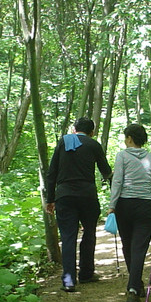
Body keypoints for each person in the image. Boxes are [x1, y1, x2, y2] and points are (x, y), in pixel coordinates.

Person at [44, 117, 112, 292]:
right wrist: (116, 195)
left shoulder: (63, 142)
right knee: (89, 234)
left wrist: (50, 199)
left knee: (68, 237)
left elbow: (51, 173)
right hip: (88, 196)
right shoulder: (94, 145)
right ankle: (86, 274)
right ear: (92, 132)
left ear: (74, 129)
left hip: (64, 196)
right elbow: (106, 172)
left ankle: (68, 280)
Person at [108, 123, 151, 302]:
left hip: (125, 204)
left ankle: (133, 287)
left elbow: (117, 181)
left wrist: (112, 206)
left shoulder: (122, 156)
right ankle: (135, 286)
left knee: (128, 245)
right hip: (147, 206)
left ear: (130, 138)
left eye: (126, 137)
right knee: (139, 248)